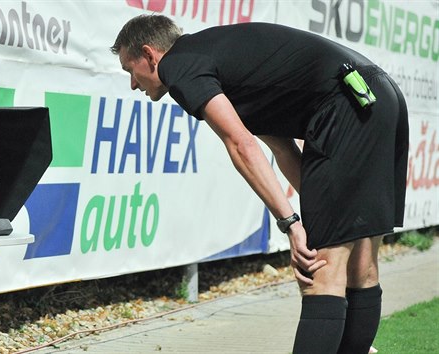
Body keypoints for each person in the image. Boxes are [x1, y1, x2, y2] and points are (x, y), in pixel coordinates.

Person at [111, 15, 408, 354]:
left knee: (321, 271)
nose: (133, 84)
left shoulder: (178, 65)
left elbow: (241, 145)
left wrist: (291, 225)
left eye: (129, 70)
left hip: (346, 105)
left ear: (149, 54)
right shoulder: (225, 61)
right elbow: (280, 147)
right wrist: (312, 216)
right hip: (377, 95)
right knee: (361, 265)